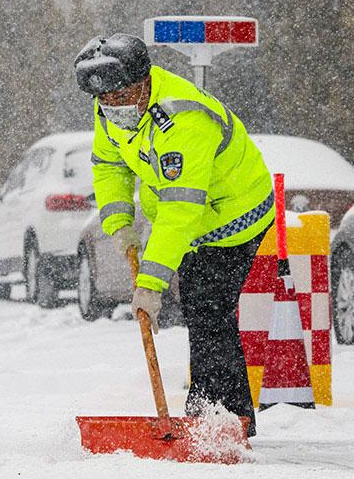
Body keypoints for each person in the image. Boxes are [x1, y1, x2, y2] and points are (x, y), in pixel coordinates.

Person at [74, 33, 273, 436]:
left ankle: (221, 417)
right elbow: (110, 166)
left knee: (208, 307)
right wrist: (120, 227)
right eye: (104, 99)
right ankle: (223, 414)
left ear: (144, 81)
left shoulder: (184, 119)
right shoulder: (110, 109)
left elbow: (181, 210)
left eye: (121, 95)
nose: (113, 105)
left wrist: (150, 284)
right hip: (188, 215)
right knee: (202, 308)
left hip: (234, 212)